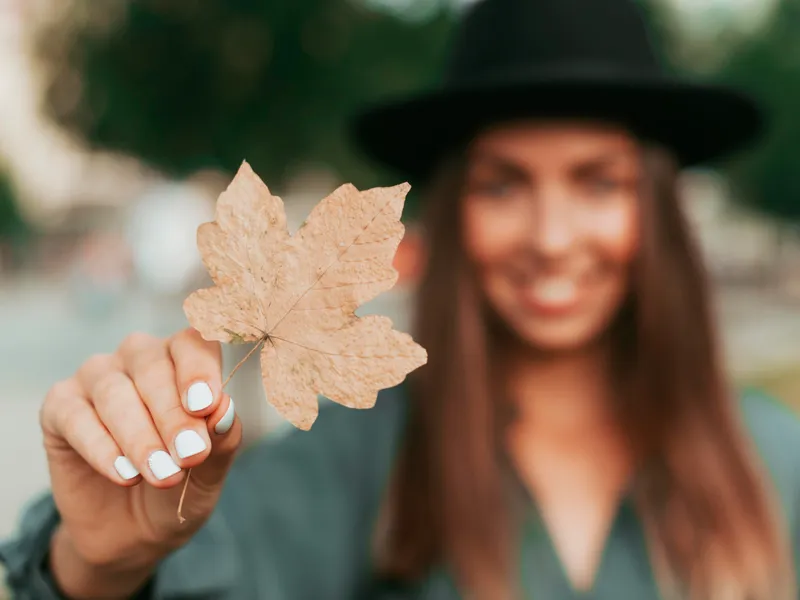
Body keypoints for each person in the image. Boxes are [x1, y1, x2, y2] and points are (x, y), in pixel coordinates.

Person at [2, 0, 799, 598]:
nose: (552, 238)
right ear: (452, 213)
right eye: (501, 184)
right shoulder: (361, 462)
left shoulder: (778, 462)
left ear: (656, 212)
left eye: (599, 182)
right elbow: (198, 558)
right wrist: (102, 561)